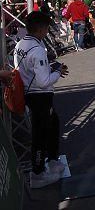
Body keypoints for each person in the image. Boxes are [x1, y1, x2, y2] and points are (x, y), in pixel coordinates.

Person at [14, 11, 68, 188]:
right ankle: (37, 173)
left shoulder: (21, 44)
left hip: (32, 93)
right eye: (46, 28)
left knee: (53, 124)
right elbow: (44, 82)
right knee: (40, 134)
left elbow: (25, 69)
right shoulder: (37, 50)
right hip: (40, 96)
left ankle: (52, 160)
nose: (47, 31)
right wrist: (57, 72)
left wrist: (51, 69)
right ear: (41, 29)